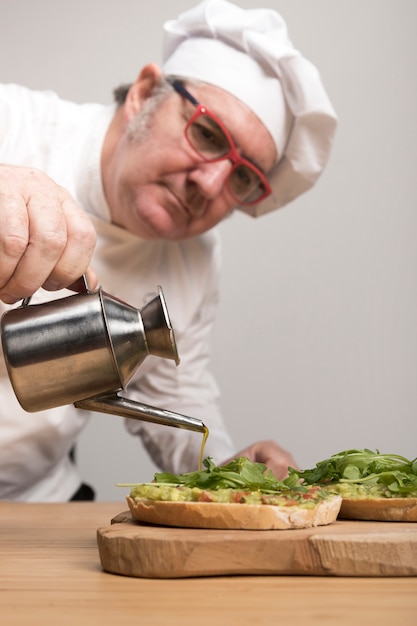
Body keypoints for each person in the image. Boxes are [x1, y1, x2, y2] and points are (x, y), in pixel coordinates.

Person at [0, 0, 337, 501]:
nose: (211, 180)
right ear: (143, 94)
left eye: (244, 176)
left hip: (34, 501)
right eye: (206, 133)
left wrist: (225, 465)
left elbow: (176, 390)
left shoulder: (196, 259)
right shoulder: (15, 122)